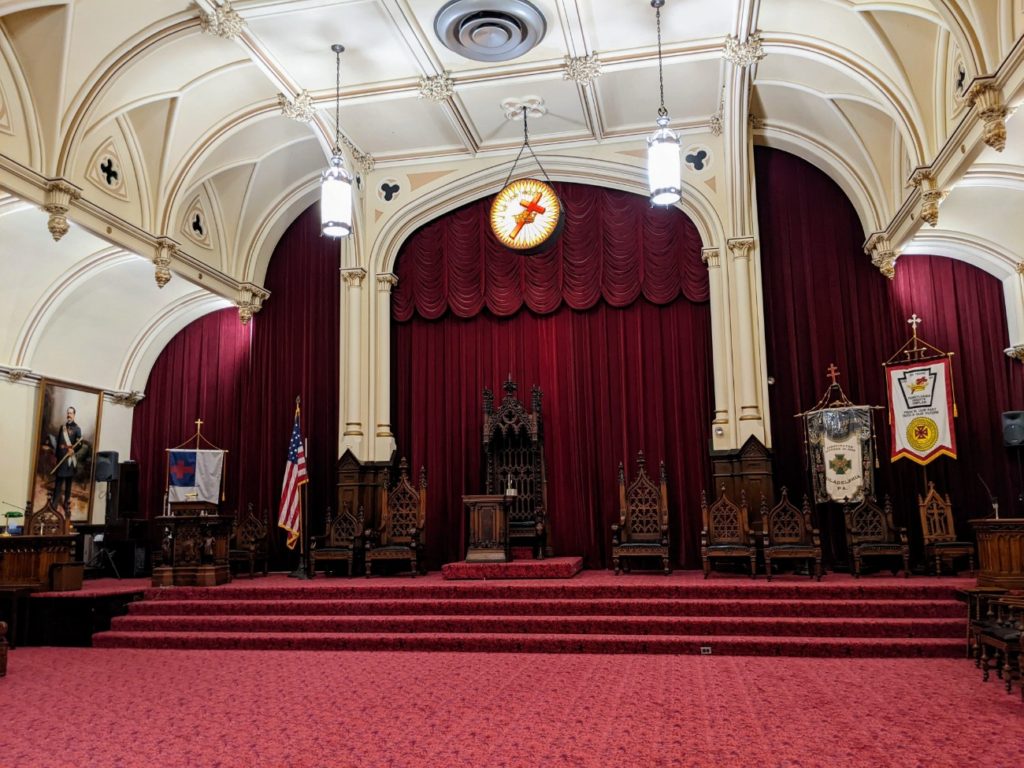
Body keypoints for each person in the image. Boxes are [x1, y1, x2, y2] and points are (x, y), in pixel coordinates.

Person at [52, 406, 82, 514]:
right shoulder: (62, 427)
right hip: (61, 458)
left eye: (71, 413)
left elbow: (79, 444)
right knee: (58, 482)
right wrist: (56, 456)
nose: (69, 415)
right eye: (68, 413)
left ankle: (66, 504)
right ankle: (54, 503)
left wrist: (73, 451)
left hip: (69, 460)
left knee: (68, 483)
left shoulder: (77, 429)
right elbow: (58, 442)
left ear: (74, 415)